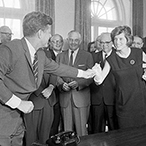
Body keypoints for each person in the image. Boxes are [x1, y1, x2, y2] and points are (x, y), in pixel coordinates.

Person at [0, 11, 95, 146]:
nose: (50, 36)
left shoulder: (40, 54)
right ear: (40, 33)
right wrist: (18, 103)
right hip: (3, 118)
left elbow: (58, 68)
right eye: (48, 32)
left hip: (18, 119)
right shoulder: (9, 49)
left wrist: (84, 73)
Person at [93, 25, 146, 129]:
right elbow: (99, 81)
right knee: (126, 137)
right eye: (115, 39)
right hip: (124, 105)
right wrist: (96, 72)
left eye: (120, 39)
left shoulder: (138, 53)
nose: (117, 42)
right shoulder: (111, 59)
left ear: (128, 39)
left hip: (141, 103)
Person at [56, 30, 94, 136]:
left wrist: (78, 83)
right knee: (66, 133)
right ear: (68, 40)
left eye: (76, 40)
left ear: (80, 41)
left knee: (82, 132)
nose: (73, 42)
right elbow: (55, 75)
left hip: (81, 98)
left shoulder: (87, 56)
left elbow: (91, 76)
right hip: (65, 98)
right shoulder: (60, 56)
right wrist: (61, 84)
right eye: (71, 40)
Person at [90, 32, 117, 133]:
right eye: (102, 42)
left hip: (113, 98)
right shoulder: (93, 56)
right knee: (96, 129)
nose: (104, 45)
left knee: (114, 129)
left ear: (112, 42)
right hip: (97, 98)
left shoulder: (117, 56)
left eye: (107, 42)